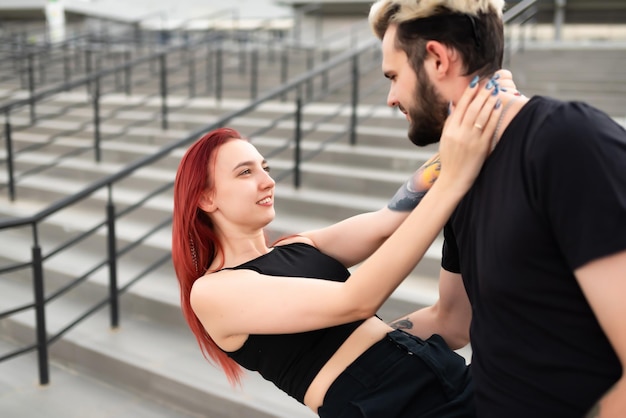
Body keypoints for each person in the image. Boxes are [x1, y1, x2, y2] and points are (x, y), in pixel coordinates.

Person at [171, 78, 503, 418]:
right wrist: (453, 182)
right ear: (206, 198)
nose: (268, 181)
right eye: (245, 173)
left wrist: (473, 129)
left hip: (449, 376)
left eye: (265, 168)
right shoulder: (212, 292)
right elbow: (356, 301)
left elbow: (390, 219)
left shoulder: (301, 244)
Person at [368, 1, 626, 417]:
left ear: (437, 58)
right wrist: (346, 351)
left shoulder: (568, 141)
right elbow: (453, 319)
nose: (391, 98)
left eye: (394, 76)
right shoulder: (460, 171)